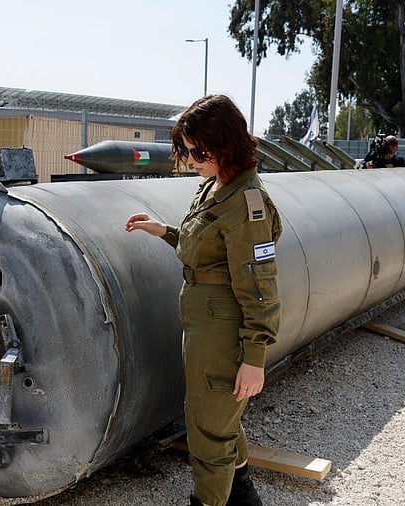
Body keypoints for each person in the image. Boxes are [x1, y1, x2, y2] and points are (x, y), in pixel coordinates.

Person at [124, 94, 281, 506]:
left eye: (198, 151)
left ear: (225, 145)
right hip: (204, 326)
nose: (190, 159)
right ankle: (242, 493)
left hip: (223, 334)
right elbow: (208, 250)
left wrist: (254, 356)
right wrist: (165, 231)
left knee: (207, 431)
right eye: (186, 150)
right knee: (219, 417)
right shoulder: (216, 186)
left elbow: (259, 285)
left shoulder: (246, 204)